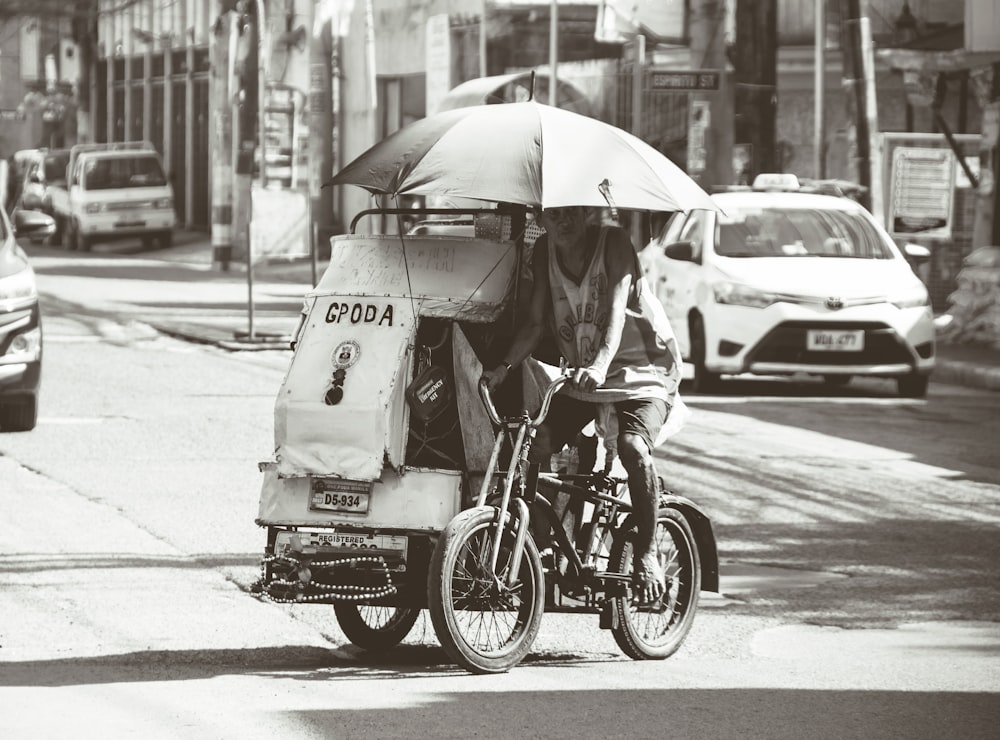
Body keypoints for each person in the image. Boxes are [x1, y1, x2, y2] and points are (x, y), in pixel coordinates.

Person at [482, 205, 683, 604]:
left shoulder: (614, 243)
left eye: (572, 212)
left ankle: (646, 554)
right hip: (584, 377)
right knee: (532, 444)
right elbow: (538, 322)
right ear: (541, 220)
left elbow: (616, 312)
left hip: (642, 373)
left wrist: (600, 363)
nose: (564, 222)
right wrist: (503, 367)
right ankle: (536, 540)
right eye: (554, 215)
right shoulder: (544, 254)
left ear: (587, 211)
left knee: (632, 447)